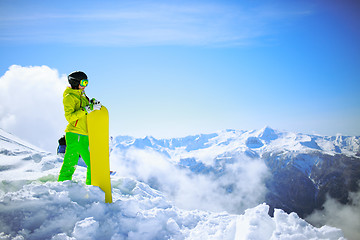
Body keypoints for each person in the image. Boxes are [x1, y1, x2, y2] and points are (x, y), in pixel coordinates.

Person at [58, 71, 102, 185]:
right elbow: (70, 117)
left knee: (72, 162)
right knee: (88, 163)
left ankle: (64, 184)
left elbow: (86, 112)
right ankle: (90, 186)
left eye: (87, 82)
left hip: (84, 134)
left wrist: (91, 103)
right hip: (75, 133)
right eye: (83, 82)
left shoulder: (82, 96)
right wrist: (86, 109)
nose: (85, 85)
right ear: (75, 82)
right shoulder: (69, 97)